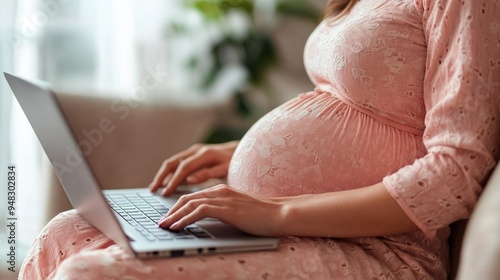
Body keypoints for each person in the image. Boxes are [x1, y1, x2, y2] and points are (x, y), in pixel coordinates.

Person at [19, 0, 500, 279]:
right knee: (64, 233)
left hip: (378, 248)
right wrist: (240, 152)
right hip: (285, 229)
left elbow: (454, 175)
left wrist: (277, 210)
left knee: (89, 274)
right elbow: (354, 104)